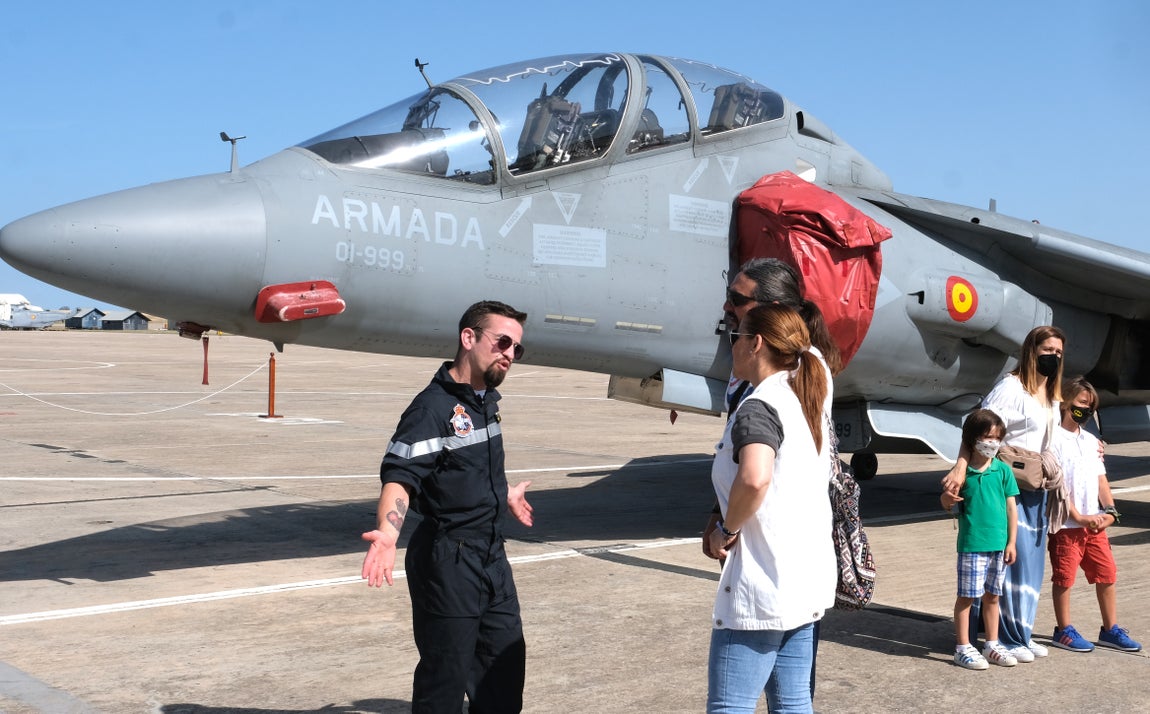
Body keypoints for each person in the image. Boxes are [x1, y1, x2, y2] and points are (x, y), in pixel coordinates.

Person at [361, 300, 535, 713]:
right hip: (448, 561)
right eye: (503, 342)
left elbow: (465, 469)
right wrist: (388, 534)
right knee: (446, 680)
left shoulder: (484, 400)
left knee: (504, 676)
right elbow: (401, 476)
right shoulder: (431, 409)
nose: (510, 354)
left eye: (517, 349)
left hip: (491, 556)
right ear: (469, 338)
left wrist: (502, 493)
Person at [707, 303, 836, 714]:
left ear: (755, 343)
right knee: (793, 702)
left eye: (736, 338)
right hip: (804, 580)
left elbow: (755, 477)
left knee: (729, 706)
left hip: (761, 586)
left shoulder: (759, 406)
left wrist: (726, 529)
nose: (733, 347)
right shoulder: (803, 400)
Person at [942, 325, 1065, 663]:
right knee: (1014, 563)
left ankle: (1019, 632)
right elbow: (979, 427)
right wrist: (960, 466)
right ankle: (1006, 637)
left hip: (1036, 486)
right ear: (1031, 350)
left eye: (1058, 352)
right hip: (1009, 484)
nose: (1053, 357)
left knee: (1028, 566)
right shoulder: (1011, 388)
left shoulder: (1051, 392)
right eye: (1047, 350)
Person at [1046, 376, 1142, 652]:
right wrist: (1076, 515)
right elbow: (1057, 487)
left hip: (1095, 524)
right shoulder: (1052, 440)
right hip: (1067, 524)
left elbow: (1101, 480)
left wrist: (1110, 511)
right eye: (1081, 403)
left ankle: (1110, 629)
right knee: (1064, 578)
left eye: (1091, 405)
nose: (1086, 410)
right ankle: (1063, 630)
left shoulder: (1091, 440)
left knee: (1107, 574)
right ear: (1065, 402)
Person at [941, 409, 1019, 669]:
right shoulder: (963, 475)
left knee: (993, 596)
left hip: (998, 545)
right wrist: (948, 500)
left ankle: (992, 644)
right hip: (973, 545)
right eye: (986, 437)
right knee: (966, 597)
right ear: (973, 439)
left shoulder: (1003, 471)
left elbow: (1011, 508)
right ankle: (963, 647)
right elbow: (945, 502)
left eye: (997, 438)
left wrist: (1011, 542)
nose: (992, 443)